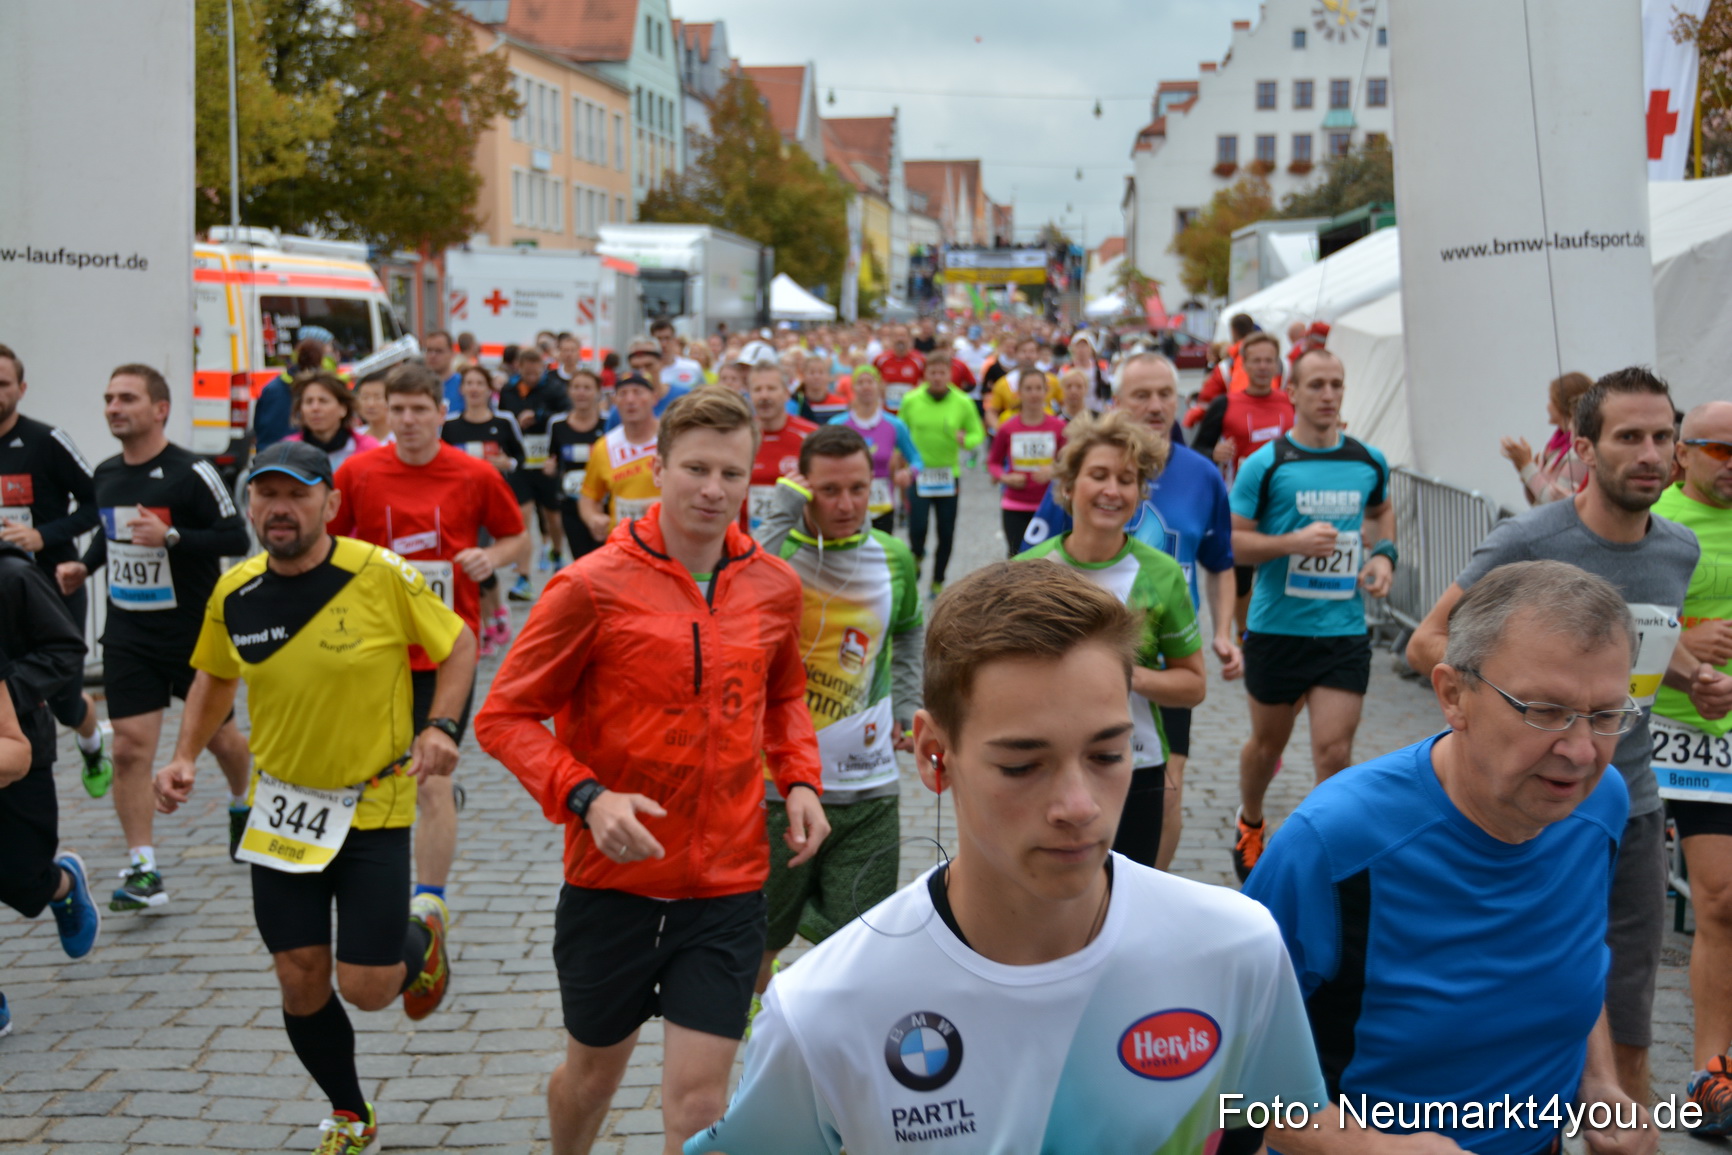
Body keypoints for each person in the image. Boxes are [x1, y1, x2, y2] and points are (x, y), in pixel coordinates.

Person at [684, 562, 1413, 1155]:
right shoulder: (823, 1005)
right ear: (935, 755)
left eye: (1107, 753)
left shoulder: (1236, 944)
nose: (1078, 804)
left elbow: (1277, 1118)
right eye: (1022, 765)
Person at [475, 388, 829, 1155]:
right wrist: (587, 796)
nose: (713, 489)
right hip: (614, 884)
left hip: (728, 884)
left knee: (699, 1103)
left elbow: (784, 694)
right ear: (657, 469)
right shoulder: (589, 585)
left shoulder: (774, 586)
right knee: (591, 1079)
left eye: (731, 473)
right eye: (696, 468)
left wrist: (801, 778)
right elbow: (503, 716)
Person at [1246, 561, 1656, 1155]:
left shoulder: (1597, 803)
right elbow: (1224, 1058)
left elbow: (1574, 954)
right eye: (1545, 711)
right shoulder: (1335, 842)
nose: (1581, 751)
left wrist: (1599, 1083)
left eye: (1607, 715)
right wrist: (1378, 1150)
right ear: (1453, 695)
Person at [1405, 366, 1732, 1105]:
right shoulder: (1531, 539)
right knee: (1518, 1010)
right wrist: (1521, 711)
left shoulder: (1678, 548)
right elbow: (1428, 643)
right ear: (1583, 448)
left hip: (1631, 808)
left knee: (1631, 1018)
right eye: (1629, 437)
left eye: (1662, 437)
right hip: (1525, 813)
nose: (1649, 454)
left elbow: (1640, 649)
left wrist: (1693, 681)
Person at [155, 440, 476, 1155]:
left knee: (367, 986)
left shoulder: (379, 573)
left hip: (373, 804)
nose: (280, 508)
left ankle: (423, 934)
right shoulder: (235, 592)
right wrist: (182, 756)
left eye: (297, 495)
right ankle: (350, 1112)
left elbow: (457, 645)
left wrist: (442, 726)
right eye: (266, 494)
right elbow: (215, 676)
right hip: (283, 811)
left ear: (330, 503)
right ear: (249, 505)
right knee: (299, 977)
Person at [1021, 353, 1243, 868]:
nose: (1111, 490)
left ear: (1140, 492)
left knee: (1131, 885)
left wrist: (1123, 674)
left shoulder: (1161, 571)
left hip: (1135, 757)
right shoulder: (1030, 571)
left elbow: (1194, 683)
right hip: (1049, 757)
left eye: (1126, 480)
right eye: (1098, 476)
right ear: (1068, 486)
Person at [56, 364, 254, 910]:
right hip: (129, 634)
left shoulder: (193, 472)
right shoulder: (106, 473)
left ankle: (242, 800)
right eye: (108, 398)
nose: (113, 408)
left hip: (193, 634)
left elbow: (235, 537)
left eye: (127, 398)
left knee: (221, 740)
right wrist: (85, 567)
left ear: (160, 409)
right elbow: (112, 534)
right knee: (127, 749)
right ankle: (143, 868)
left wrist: (171, 537)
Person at [329, 362, 527, 910]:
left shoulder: (474, 474)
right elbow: (326, 545)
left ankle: (427, 907)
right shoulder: (358, 473)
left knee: (431, 777)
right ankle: (367, 881)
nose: (409, 420)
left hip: (446, 654)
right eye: (398, 410)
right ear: (383, 413)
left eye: (420, 409)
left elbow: (516, 537)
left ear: (442, 413)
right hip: (374, 652)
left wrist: (490, 557)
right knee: (370, 774)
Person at [751, 425, 922, 1001]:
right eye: (828, 490)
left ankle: (836, 1041)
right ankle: (757, 1028)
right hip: (776, 783)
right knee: (760, 937)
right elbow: (744, 588)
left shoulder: (894, 557)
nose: (847, 505)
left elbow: (908, 630)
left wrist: (907, 703)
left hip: (868, 784)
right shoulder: (778, 551)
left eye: (858, 489)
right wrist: (782, 512)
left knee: (862, 942)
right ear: (803, 488)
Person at [1228, 348, 1394, 884]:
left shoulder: (1368, 460)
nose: (1328, 395)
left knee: (1335, 752)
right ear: (1292, 392)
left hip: (1342, 631)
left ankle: (1325, 852)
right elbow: (1234, 542)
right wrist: (1291, 543)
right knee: (1266, 748)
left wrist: (1383, 556)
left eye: (1336, 384)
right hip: (1277, 629)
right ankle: (1251, 820)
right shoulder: (1267, 464)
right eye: (1317, 385)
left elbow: (1381, 511)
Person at [1651, 402, 1732, 1127]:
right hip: (1654, 732)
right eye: (1720, 450)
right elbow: (1621, 616)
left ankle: (1712, 1071)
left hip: (1723, 737)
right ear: (1685, 454)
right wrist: (1685, 644)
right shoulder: (1657, 523)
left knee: (1721, 900)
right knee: (1618, 901)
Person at [0, 542, 104, 1037]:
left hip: (18, 741)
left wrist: (10, 690)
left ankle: (62, 884)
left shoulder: (13, 576)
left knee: (22, 879)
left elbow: (66, 650)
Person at [0, 342, 111, 796]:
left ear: (21, 388)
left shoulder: (46, 441)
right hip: (3, 594)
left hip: (50, 587)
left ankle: (90, 740)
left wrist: (43, 536)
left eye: (2, 383)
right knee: (13, 692)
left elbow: (98, 502)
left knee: (63, 700)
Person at [443, 363, 529, 655]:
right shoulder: (450, 425)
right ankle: (488, 622)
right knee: (470, 565)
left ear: (489, 389)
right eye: (469, 383)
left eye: (480, 383)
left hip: (493, 503)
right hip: (459, 504)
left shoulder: (503, 421)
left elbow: (521, 457)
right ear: (462, 389)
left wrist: (508, 463)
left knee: (480, 562)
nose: (474, 389)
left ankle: (490, 620)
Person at [899, 351, 986, 598]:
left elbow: (977, 433)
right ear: (925, 374)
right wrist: (900, 462)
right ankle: (917, 554)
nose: (937, 377)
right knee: (917, 528)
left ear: (950, 375)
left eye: (942, 373)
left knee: (946, 532)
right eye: (933, 372)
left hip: (949, 475)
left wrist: (966, 440)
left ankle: (938, 580)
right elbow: (901, 432)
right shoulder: (911, 400)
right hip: (919, 474)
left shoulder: (962, 401)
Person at [500, 343, 562, 600]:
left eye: (536, 371)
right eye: (527, 372)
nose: (531, 375)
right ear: (520, 368)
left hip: (546, 461)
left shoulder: (555, 389)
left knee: (552, 517)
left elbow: (564, 414)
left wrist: (536, 415)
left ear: (542, 368)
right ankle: (524, 577)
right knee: (523, 516)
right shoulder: (509, 390)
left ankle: (557, 554)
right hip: (522, 461)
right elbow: (503, 419)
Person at [1190, 331, 1295, 485]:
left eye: (1268, 360)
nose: (1263, 366)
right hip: (1240, 492)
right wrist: (1213, 454)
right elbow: (1196, 450)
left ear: (1277, 365)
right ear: (1244, 364)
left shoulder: (1292, 402)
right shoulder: (1224, 404)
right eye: (1256, 360)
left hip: (1283, 491)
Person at [829, 365, 920, 535]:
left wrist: (909, 473)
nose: (866, 387)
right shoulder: (838, 424)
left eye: (870, 382)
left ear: (879, 386)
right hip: (847, 506)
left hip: (882, 507)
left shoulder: (894, 425)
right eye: (860, 382)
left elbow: (916, 459)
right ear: (853, 388)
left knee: (880, 550)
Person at [988, 367, 1069, 555]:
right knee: (1017, 559)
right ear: (1019, 393)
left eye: (1038, 388)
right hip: (1015, 505)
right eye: (1029, 388)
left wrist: (1054, 471)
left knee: (1049, 560)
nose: (1034, 394)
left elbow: (1070, 463)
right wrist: (1005, 478)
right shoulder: (1007, 428)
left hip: (1049, 505)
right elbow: (993, 463)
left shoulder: (1058, 427)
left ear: (1046, 392)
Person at [579, 372, 662, 539]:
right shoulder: (605, 446)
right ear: (615, 401)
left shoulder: (673, 438)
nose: (630, 400)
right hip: (623, 542)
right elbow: (588, 497)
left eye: (638, 392)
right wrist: (593, 518)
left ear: (654, 398)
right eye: (623, 394)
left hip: (668, 541)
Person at [545, 368, 608, 565]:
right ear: (569, 391)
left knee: (603, 559)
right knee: (581, 561)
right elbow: (553, 458)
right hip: (571, 504)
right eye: (576, 387)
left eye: (587, 388)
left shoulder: (608, 424)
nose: (581, 393)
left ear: (598, 392)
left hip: (602, 505)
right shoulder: (557, 425)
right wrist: (550, 469)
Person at [1501, 371, 1593, 506]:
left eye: (1551, 400)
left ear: (1563, 405)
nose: (1547, 406)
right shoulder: (1555, 444)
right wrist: (1525, 469)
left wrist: (1527, 466)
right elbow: (1535, 499)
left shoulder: (1578, 451)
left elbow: (1557, 504)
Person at [747, 363, 816, 535]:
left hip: (796, 540)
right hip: (748, 540)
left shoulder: (810, 435)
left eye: (771, 388)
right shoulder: (738, 436)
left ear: (786, 394)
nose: (764, 396)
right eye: (757, 389)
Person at [284, 373, 381, 471]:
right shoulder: (287, 451)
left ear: (343, 409)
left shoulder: (368, 449)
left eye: (323, 401)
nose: (315, 408)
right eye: (309, 401)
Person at [254, 337, 327, 451]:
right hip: (301, 455)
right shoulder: (318, 391)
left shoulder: (272, 388)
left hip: (267, 454)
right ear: (320, 360)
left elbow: (258, 425)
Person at [606, 337, 692, 431]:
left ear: (661, 364)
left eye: (649, 366)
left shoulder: (683, 398)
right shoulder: (622, 408)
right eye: (636, 368)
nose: (643, 373)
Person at [984, 336, 1064, 433]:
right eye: (1023, 351)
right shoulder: (1004, 383)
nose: (1028, 356)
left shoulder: (1051, 380)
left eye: (1032, 351)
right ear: (1016, 354)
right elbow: (991, 411)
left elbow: (1064, 404)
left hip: (1046, 432)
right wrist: (1001, 430)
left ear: (1038, 354)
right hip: (1014, 433)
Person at [873, 324, 926, 415]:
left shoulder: (920, 360)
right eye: (896, 336)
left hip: (911, 411)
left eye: (903, 336)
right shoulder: (880, 360)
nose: (900, 339)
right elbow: (873, 381)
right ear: (891, 339)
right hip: (887, 412)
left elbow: (926, 384)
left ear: (909, 339)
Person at [793, 354, 850, 424]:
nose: (816, 377)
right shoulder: (796, 403)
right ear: (803, 376)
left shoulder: (841, 405)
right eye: (812, 373)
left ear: (828, 376)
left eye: (821, 372)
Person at [653, 318, 706, 390]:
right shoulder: (647, 372)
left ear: (675, 340)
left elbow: (703, 392)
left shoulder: (693, 367)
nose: (663, 344)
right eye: (659, 339)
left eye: (667, 338)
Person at [422, 330, 462, 414]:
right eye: (429, 350)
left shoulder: (463, 385)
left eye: (439, 351)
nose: (432, 355)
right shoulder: (417, 385)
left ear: (452, 353)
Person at [353, 370, 393, 444]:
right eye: (365, 397)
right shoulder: (353, 438)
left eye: (378, 397)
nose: (370, 404)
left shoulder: (400, 438)